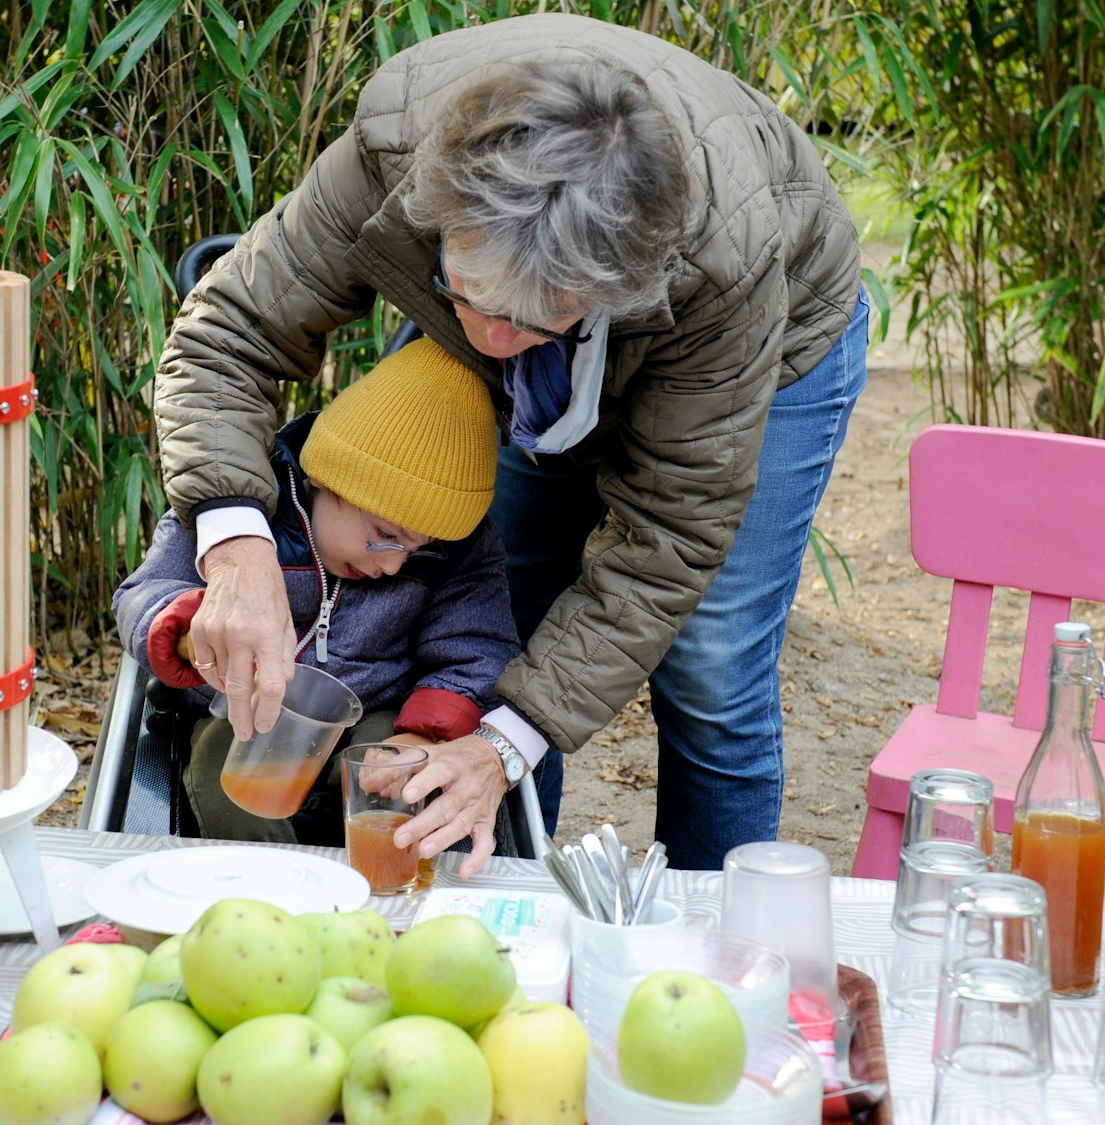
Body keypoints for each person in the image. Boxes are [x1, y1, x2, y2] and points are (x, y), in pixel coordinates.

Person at [155, 14, 866, 873]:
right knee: (514, 630)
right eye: (465, 291)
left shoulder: (721, 265)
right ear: (440, 217)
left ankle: (716, 935)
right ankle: (503, 888)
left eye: (532, 319)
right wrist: (235, 549)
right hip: (557, 274)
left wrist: (502, 747)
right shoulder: (395, 148)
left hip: (772, 336)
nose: (491, 340)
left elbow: (668, 540)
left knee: (711, 672)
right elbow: (228, 332)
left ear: (617, 287)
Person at [116, 340, 519, 845]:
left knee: (407, 777)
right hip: (245, 709)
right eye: (385, 533)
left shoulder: (459, 556)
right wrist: (192, 631)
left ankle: (380, 893)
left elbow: (478, 648)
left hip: (379, 712)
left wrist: (427, 732)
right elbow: (143, 592)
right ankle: (272, 896)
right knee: (226, 783)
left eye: (417, 550)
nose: (393, 562)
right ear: (326, 478)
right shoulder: (242, 509)